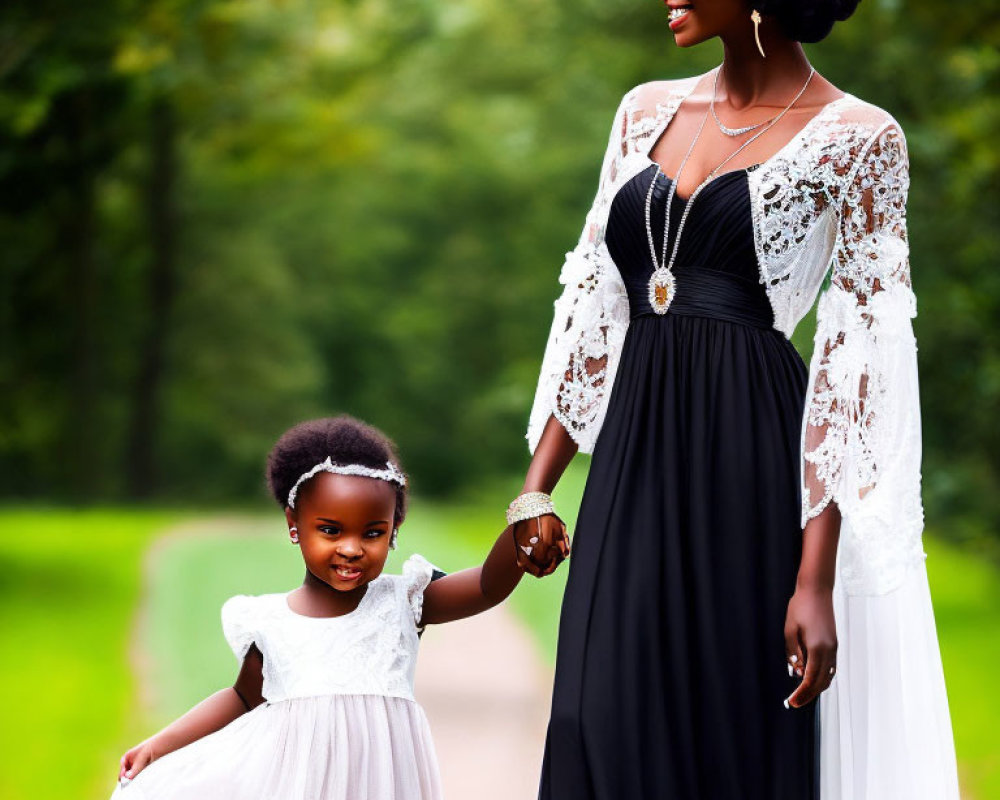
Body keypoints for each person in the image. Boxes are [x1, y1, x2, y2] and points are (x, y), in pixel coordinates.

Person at [510, 1, 960, 797]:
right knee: (594, 715)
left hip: (754, 459)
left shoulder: (862, 137)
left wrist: (813, 580)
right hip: (632, 462)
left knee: (731, 730)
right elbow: (595, 305)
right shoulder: (643, 109)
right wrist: (536, 487)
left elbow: (855, 362)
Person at [111, 415, 539, 800]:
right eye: (331, 530)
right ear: (294, 524)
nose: (351, 549)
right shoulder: (269, 621)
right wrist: (158, 744)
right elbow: (243, 697)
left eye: (372, 532)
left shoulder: (403, 601)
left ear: (394, 530)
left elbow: (487, 586)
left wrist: (528, 519)